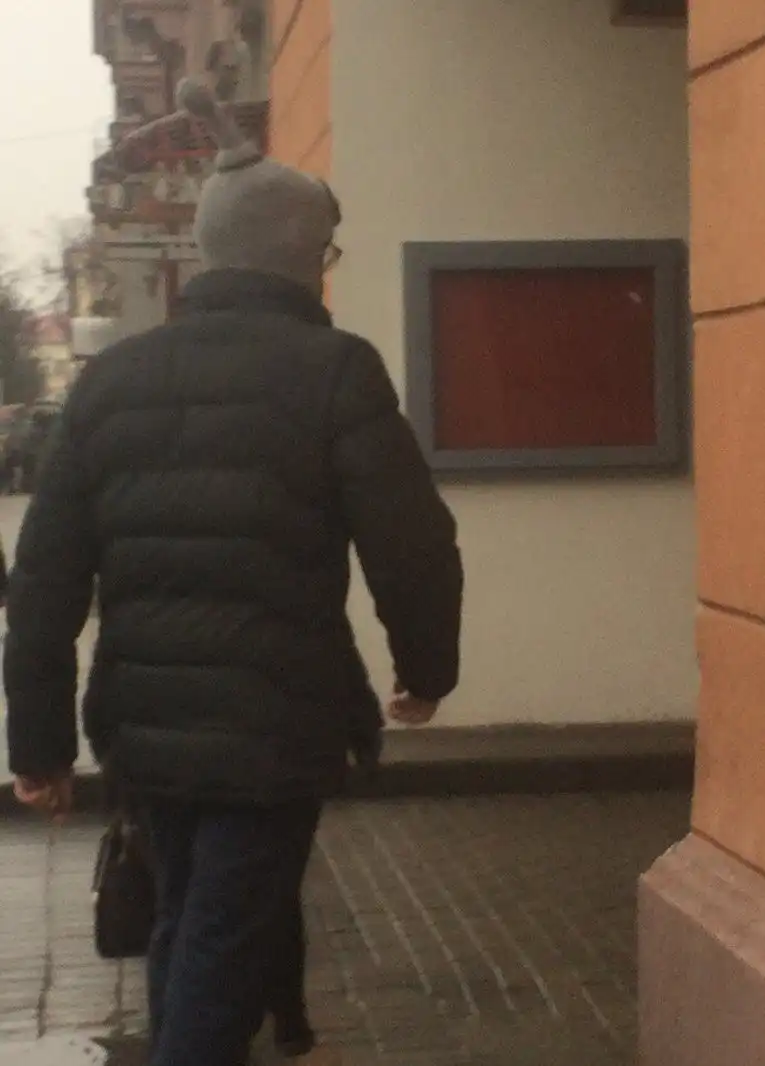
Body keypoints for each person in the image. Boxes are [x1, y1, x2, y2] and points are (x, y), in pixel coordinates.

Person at [5, 80, 463, 1066]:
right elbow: (413, 543)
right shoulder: (335, 371)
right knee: (221, 931)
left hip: (143, 721)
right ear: (302, 258)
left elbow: (43, 577)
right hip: (277, 720)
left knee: (187, 917)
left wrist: (38, 742)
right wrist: (425, 671)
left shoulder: (111, 381)